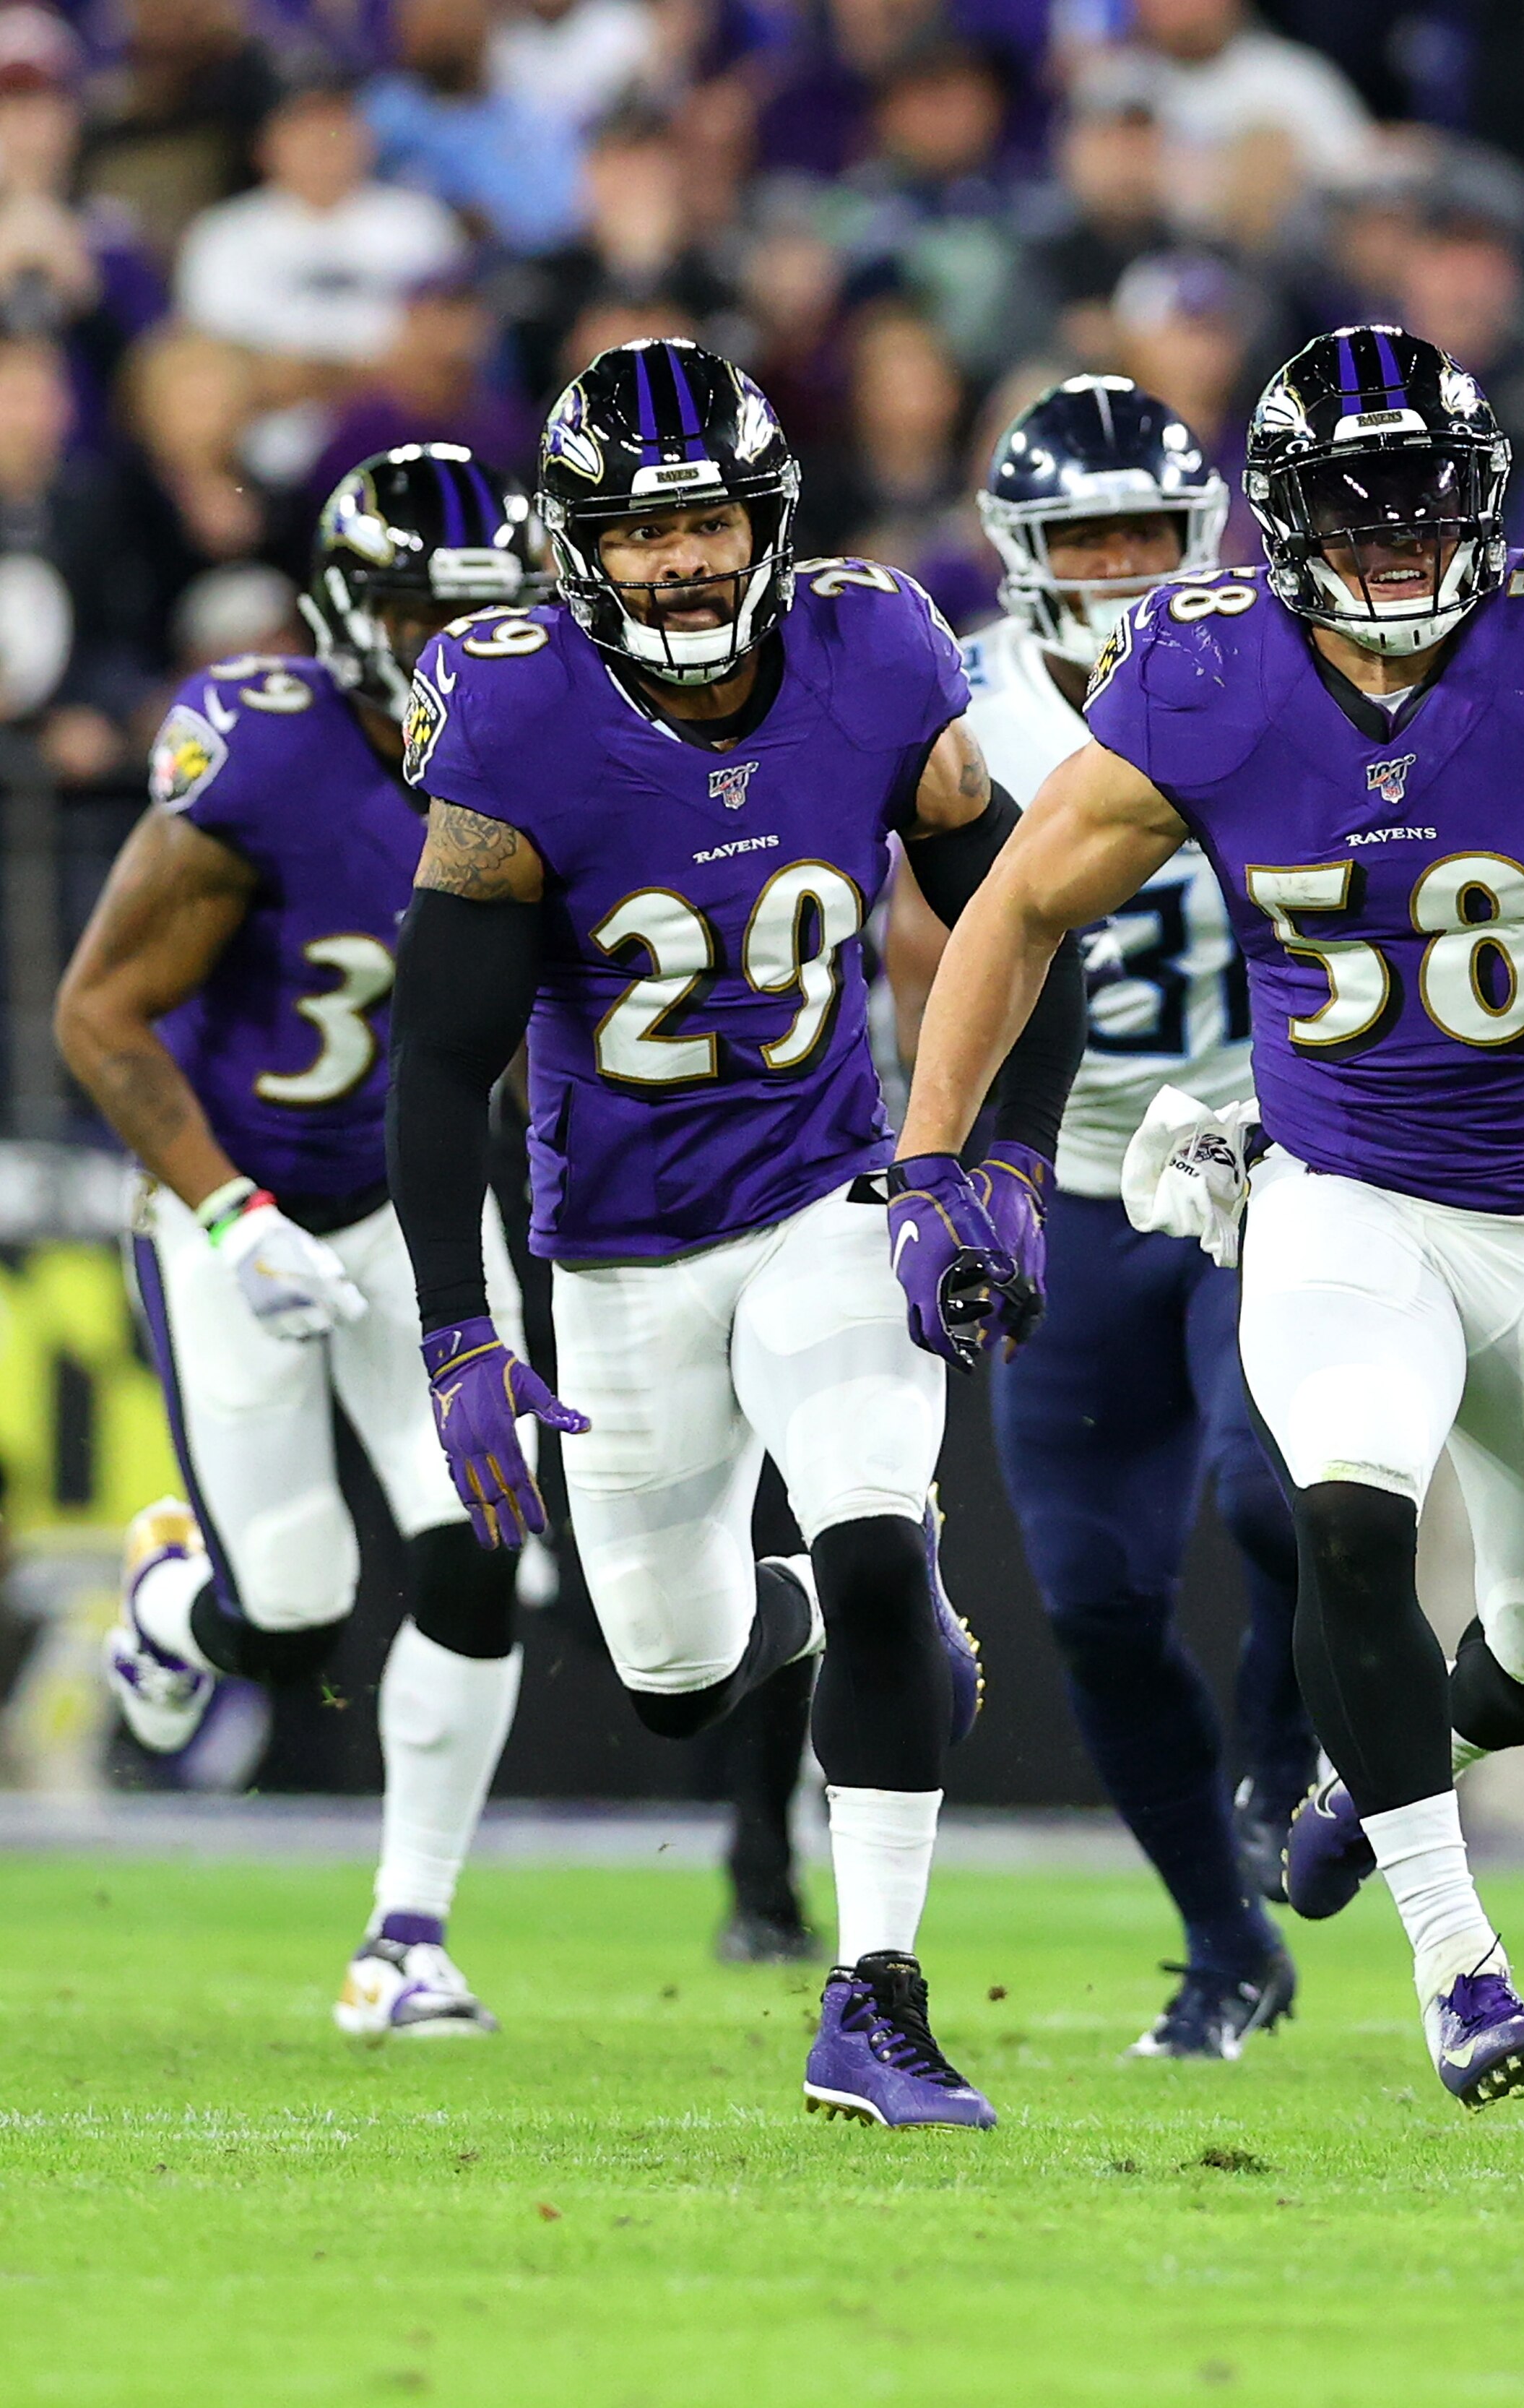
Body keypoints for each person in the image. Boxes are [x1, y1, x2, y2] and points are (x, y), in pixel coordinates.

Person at [891, 328, 1524, 2113]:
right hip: (1329, 1182)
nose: (1391, 542)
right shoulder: (1203, 670)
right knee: (1332, 1512)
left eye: (1422, 502)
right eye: (1349, 509)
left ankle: (1369, 1775)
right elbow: (1005, 911)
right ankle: (1455, 1966)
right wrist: (937, 1158)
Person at [381, 339, 1067, 2131]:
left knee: (871, 1531)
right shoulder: (516, 715)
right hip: (613, 1248)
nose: (680, 560)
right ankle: (880, 1637)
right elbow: (441, 1061)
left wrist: (995, 1159)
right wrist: (460, 1324)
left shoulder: (877, 653)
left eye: (703, 521)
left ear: (765, 519)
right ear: (574, 549)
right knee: (672, 1675)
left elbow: (1021, 922)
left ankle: (879, 1993)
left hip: (828, 1193)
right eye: (639, 530)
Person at [63, 444, 541, 2038]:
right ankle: (162, 1600)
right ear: (346, 609)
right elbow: (101, 1010)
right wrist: (225, 1208)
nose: (444, 647)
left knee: (484, 1540)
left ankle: (408, 1934)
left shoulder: (550, 735)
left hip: (416, 1207)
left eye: (477, 614)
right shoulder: (262, 752)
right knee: (293, 1612)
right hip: (239, 1202)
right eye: (416, 611)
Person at [953, 372, 1303, 2060]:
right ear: (1018, 551)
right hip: (1071, 1177)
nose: (1109, 565)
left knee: (1282, 1493)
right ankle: (1222, 1936)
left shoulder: (1278, 656)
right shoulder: (962, 709)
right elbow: (917, 937)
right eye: (1077, 534)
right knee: (1091, 1594)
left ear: (1204, 536)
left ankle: (1280, 1768)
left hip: (1267, 1152)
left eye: (1139, 532)